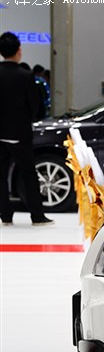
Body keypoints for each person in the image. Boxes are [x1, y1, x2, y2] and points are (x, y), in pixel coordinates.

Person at [0, 32, 53, 226]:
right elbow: (35, 105)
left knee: (1, 176)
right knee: (28, 174)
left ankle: (5, 215)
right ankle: (37, 215)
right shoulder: (26, 76)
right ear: (18, 51)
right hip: (20, 133)